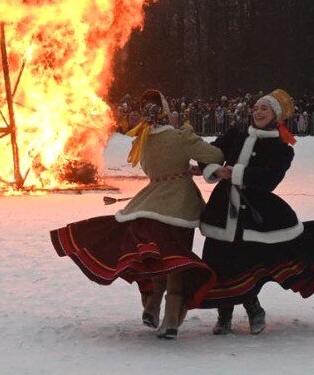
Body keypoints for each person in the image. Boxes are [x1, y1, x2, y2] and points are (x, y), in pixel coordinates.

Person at [198, 89, 314, 335]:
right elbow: (209, 153)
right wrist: (215, 170)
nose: (258, 112)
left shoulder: (281, 146)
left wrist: (238, 173)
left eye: (265, 108)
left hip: (255, 211)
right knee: (218, 260)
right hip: (223, 208)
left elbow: (270, 178)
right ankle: (224, 313)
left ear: (276, 115)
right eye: (257, 107)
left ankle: (253, 308)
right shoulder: (236, 134)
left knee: (248, 261)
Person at [51, 89, 225, 339]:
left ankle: (152, 307)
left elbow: (156, 167)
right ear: (166, 111)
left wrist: (182, 167)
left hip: (151, 202)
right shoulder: (180, 137)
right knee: (177, 262)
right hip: (178, 206)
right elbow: (215, 155)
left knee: (158, 259)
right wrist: (188, 143)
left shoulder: (143, 140)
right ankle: (171, 321)